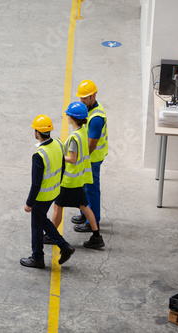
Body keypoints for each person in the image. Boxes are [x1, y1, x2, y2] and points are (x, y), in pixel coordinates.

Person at [21, 115, 75, 269]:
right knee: (42, 220)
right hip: (54, 191)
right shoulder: (58, 143)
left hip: (42, 196)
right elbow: (63, 166)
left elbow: (36, 183)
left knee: (37, 226)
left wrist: (29, 203)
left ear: (37, 132)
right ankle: (64, 247)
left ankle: (38, 258)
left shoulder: (39, 155)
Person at [50, 102, 104, 249]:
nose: (66, 116)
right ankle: (96, 236)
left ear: (72, 118)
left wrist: (60, 156)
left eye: (68, 114)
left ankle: (51, 235)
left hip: (69, 180)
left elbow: (72, 159)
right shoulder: (83, 132)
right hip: (79, 179)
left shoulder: (74, 137)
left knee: (57, 207)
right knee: (85, 206)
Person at [71, 80, 108, 232]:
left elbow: (92, 145)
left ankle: (93, 222)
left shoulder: (96, 118)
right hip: (87, 157)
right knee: (84, 187)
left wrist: (80, 160)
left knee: (91, 189)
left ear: (93, 96)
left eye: (85, 98)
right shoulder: (88, 109)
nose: (82, 101)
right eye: (81, 98)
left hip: (92, 158)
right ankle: (85, 214)